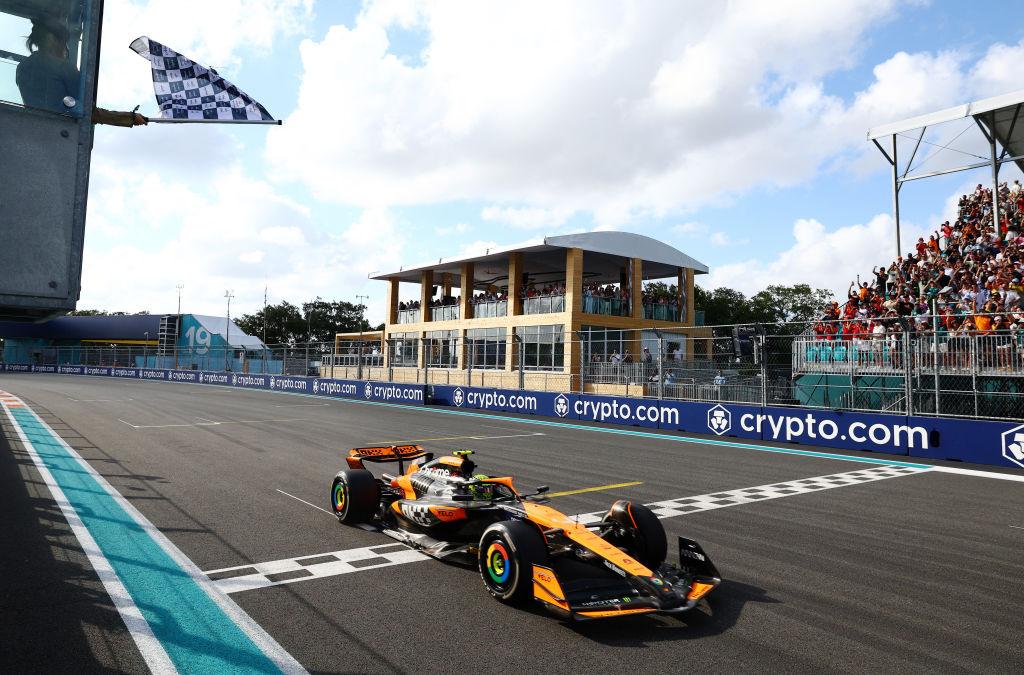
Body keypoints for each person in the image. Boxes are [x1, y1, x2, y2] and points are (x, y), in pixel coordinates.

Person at [17, 18, 147, 127]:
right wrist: (130, 118)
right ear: (53, 41)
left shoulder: (22, 67)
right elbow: (88, 112)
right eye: (64, 43)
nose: (66, 49)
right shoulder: (63, 67)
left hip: (28, 128)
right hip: (58, 132)